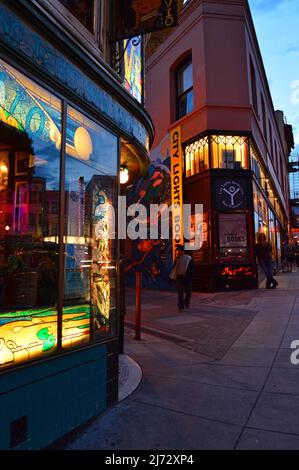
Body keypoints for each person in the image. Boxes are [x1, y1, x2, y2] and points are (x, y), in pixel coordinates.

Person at [171, 245, 193, 311]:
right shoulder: (177, 258)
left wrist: (189, 275)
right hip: (179, 277)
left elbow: (192, 268)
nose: (178, 252)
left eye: (179, 251)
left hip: (186, 277)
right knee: (180, 293)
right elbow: (174, 268)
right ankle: (180, 307)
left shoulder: (189, 258)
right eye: (178, 251)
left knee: (188, 292)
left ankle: (186, 303)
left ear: (182, 251)